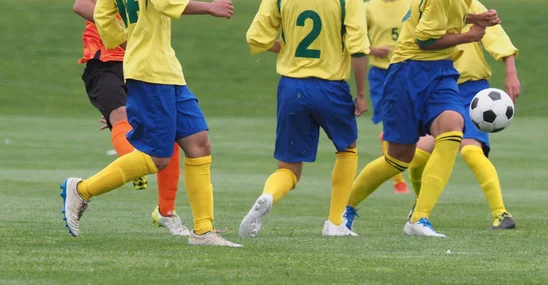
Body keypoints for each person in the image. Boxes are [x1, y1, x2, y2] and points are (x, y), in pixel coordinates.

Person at [61, 0, 241, 247]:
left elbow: (102, 14)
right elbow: (166, 2)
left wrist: (128, 43)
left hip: (167, 69)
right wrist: (210, 7)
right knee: (158, 157)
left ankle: (203, 231)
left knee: (199, 144)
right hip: (151, 73)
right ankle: (82, 190)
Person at [343, 0, 500, 237]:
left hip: (442, 71)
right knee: (398, 158)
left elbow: (440, 18)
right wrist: (469, 36)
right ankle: (345, 209)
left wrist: (473, 19)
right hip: (408, 71)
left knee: (453, 128)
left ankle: (419, 217)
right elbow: (424, 40)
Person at [239, 0, 370, 237]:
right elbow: (358, 47)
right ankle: (334, 222)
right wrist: (361, 94)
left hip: (291, 88)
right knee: (347, 149)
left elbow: (255, 38)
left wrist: (286, 47)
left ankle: (268, 195)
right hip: (330, 87)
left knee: (288, 168)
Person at [72, 0, 188, 236]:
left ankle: (166, 212)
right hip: (105, 60)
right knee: (119, 115)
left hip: (142, 64)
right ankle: (132, 160)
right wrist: (124, 32)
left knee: (171, 131)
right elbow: (82, 5)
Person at [408, 0, 521, 230]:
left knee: (470, 150)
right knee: (417, 157)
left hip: (472, 91)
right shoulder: (424, 7)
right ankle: (419, 210)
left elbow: (497, 37)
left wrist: (511, 71)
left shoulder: (472, 6)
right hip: (438, 90)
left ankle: (501, 214)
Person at [364, 0, 412, 195]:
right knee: (388, 123)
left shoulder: (411, 4)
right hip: (380, 74)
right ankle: (398, 182)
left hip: (407, 70)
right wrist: (373, 50)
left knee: (410, 123)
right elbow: (352, 36)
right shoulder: (369, 8)